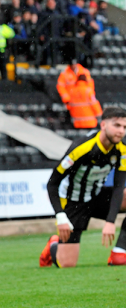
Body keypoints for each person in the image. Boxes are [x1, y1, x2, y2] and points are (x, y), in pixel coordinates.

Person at [39, 107, 126, 268]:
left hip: (98, 196)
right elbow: (52, 184)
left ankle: (120, 251)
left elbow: (119, 186)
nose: (121, 131)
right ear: (103, 125)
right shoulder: (81, 148)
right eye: (117, 125)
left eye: (124, 127)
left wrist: (110, 221)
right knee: (66, 264)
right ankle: (53, 244)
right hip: (75, 201)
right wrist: (61, 216)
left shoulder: (122, 149)